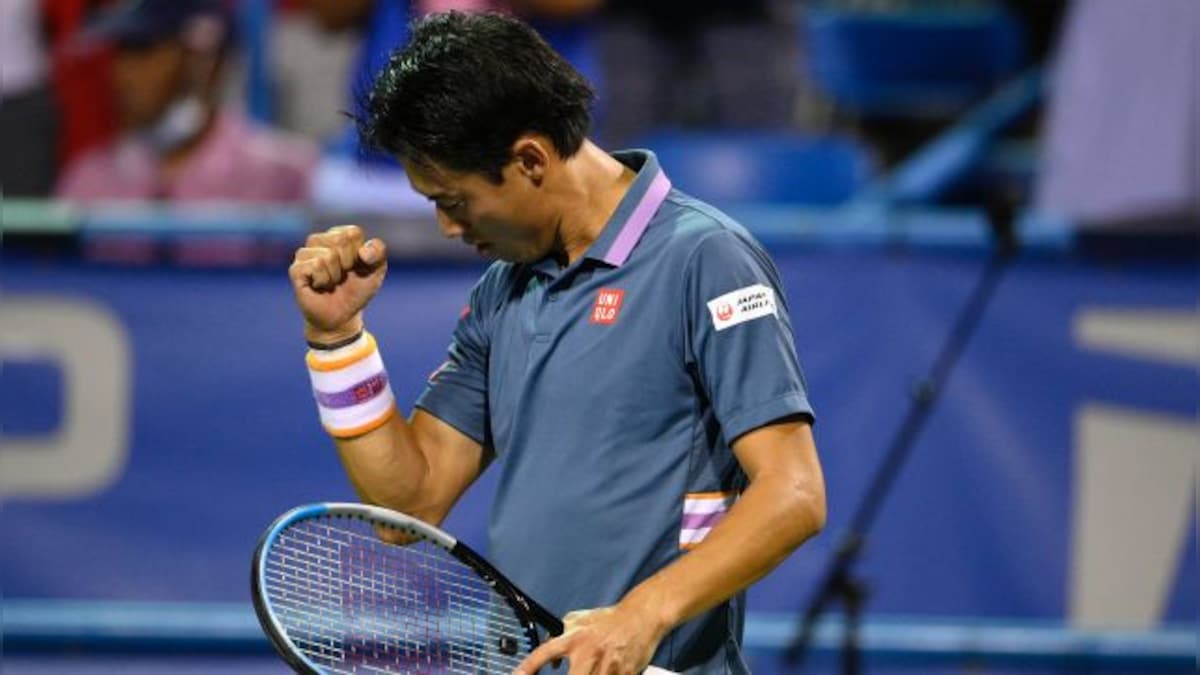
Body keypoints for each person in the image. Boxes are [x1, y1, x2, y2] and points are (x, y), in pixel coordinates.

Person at [289, 12, 825, 673]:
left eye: (454, 200)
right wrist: (338, 339)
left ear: (530, 159)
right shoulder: (500, 291)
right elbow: (406, 506)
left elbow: (794, 492)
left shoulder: (707, 260)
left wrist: (642, 613)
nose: (449, 228)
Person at [57, 0, 315, 203]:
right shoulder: (88, 180)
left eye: (144, 51)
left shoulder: (284, 177)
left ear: (204, 61)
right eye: (120, 54)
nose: (122, 75)